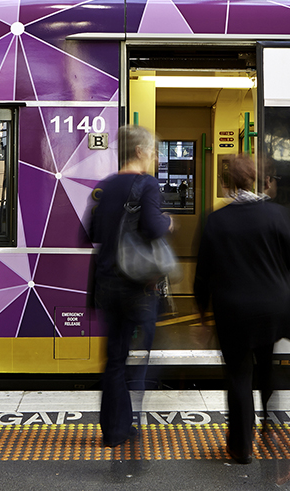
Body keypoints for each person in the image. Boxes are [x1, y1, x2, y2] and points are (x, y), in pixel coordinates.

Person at [194, 155, 290, 465]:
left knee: (239, 377)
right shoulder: (277, 215)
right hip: (272, 309)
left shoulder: (216, 220)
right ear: (259, 181)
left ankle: (241, 447)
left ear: (227, 183)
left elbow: (202, 274)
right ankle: (271, 424)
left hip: (233, 313)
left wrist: (202, 316)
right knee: (267, 367)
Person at [89, 125, 173, 448]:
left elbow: (92, 232)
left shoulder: (105, 187)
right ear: (139, 151)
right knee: (146, 353)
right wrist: (167, 221)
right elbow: (153, 229)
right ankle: (132, 419)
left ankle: (114, 430)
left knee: (114, 358)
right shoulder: (147, 184)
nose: (153, 158)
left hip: (106, 283)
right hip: (136, 285)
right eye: (152, 152)